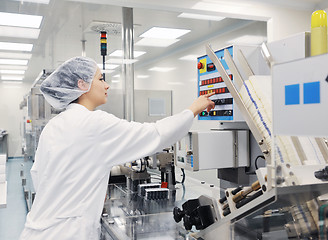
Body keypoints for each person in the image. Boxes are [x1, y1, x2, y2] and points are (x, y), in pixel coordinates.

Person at [19, 56, 215, 240]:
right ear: (82, 84)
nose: (107, 85)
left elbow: (39, 175)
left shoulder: (54, 125)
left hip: (36, 229)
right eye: (100, 79)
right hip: (68, 233)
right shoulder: (94, 123)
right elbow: (155, 134)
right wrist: (193, 109)